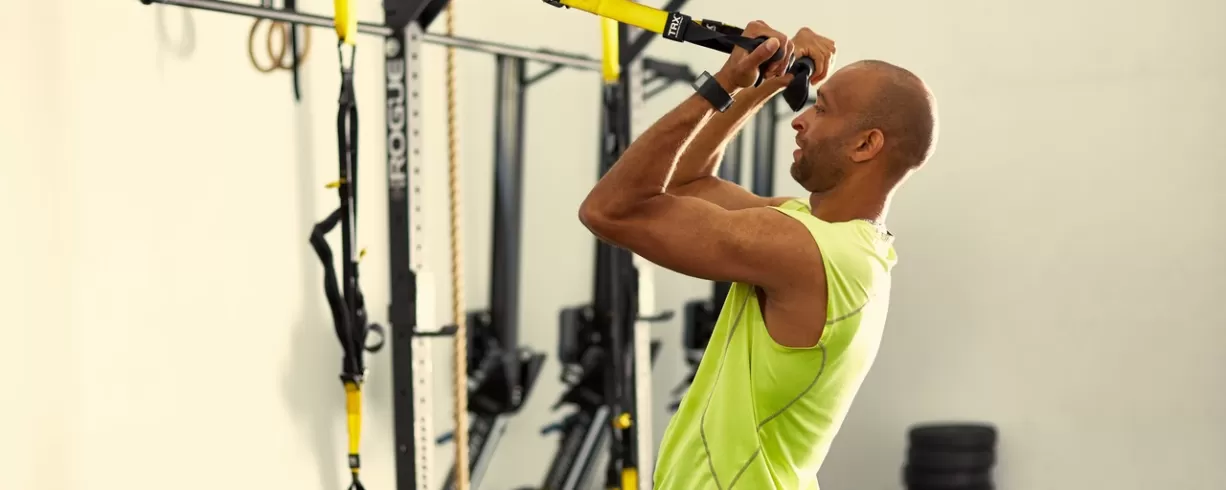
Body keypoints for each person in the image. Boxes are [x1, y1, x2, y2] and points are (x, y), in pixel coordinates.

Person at [577, 19, 938, 490]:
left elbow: (609, 211)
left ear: (866, 144)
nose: (799, 119)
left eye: (821, 109)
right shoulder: (833, 240)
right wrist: (767, 81)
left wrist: (724, 82)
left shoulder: (804, 250)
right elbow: (689, 183)